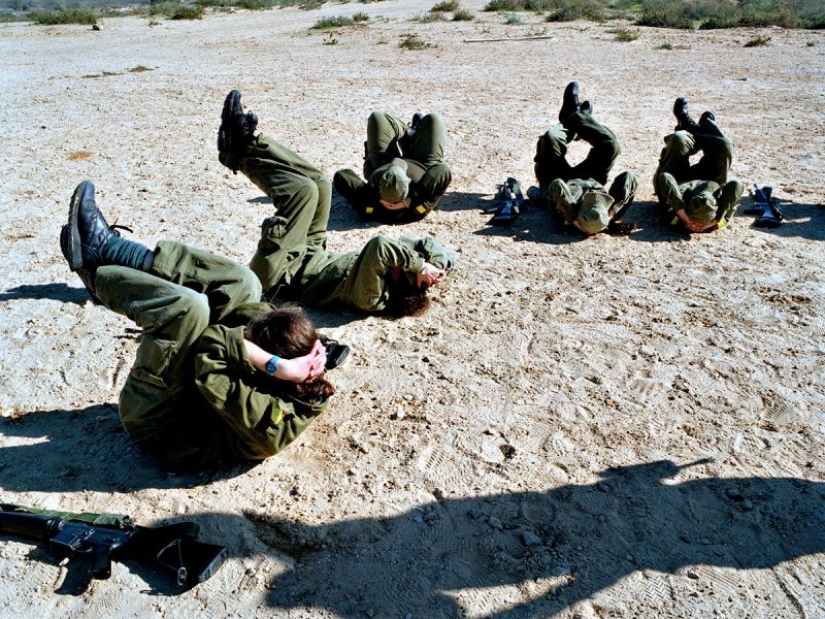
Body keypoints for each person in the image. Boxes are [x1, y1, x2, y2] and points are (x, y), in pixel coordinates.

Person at [60, 181, 334, 471]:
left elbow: (211, 348)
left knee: (188, 309)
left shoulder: (265, 423)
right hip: (205, 389)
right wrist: (307, 348)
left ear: (276, 374)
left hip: (162, 418)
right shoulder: (306, 380)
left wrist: (275, 364)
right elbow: (256, 317)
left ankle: (95, 278)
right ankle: (108, 249)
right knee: (244, 283)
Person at [217, 91, 453, 316]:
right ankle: (250, 143)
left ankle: (241, 154)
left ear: (402, 285)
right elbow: (429, 245)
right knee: (321, 183)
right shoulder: (395, 271)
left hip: (280, 272)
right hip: (311, 250)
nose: (401, 266)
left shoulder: (371, 297)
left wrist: (421, 266)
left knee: (303, 192)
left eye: (404, 271)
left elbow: (380, 246)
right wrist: (438, 265)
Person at [529, 82, 638, 236]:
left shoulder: (567, 216)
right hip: (592, 177)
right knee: (612, 145)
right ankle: (579, 118)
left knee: (550, 139)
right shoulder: (602, 216)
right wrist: (609, 216)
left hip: (561, 179)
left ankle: (572, 117)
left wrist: (574, 220)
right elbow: (630, 178)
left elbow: (557, 185)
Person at [332, 110, 452, 223]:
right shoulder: (418, 208)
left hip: (382, 162)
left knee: (378, 117)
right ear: (408, 186)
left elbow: (341, 176)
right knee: (433, 119)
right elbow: (443, 170)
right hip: (422, 163)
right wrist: (411, 199)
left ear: (379, 189)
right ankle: (412, 138)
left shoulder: (370, 206)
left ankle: (408, 134)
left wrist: (374, 198)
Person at [654, 97, 744, 232]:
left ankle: (688, 128)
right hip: (710, 180)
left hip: (677, 180)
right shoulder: (715, 221)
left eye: (698, 203)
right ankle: (704, 128)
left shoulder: (675, 217)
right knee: (725, 146)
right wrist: (716, 220)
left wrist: (684, 217)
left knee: (679, 140)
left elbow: (665, 178)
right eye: (709, 203)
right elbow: (737, 185)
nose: (704, 199)